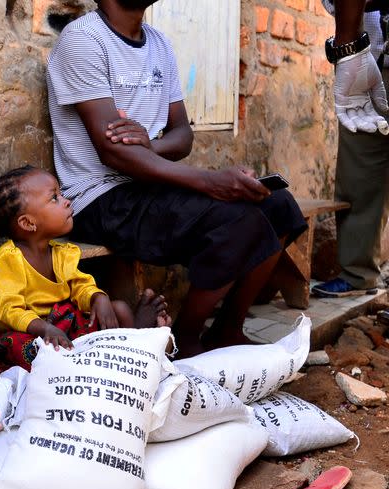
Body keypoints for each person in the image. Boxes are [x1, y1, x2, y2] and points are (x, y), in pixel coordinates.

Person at [46, 0, 308, 358]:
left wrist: (150, 144)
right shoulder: (83, 40)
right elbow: (115, 153)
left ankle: (227, 330)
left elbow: (182, 135)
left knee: (277, 204)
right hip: (100, 195)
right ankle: (184, 340)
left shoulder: (159, 43)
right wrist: (211, 181)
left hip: (148, 186)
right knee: (238, 221)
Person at [0, 165, 170, 373]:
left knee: (119, 309)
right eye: (54, 198)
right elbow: (9, 311)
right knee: (25, 347)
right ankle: (135, 341)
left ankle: (135, 349)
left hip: (64, 327)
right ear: (28, 223)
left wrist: (98, 297)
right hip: (29, 331)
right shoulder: (9, 259)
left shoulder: (63, 253)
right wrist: (44, 328)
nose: (66, 201)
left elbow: (81, 286)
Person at [311, 0, 389, 297]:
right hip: (371, 57)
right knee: (359, 171)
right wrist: (349, 54)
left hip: (361, 54)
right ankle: (358, 274)